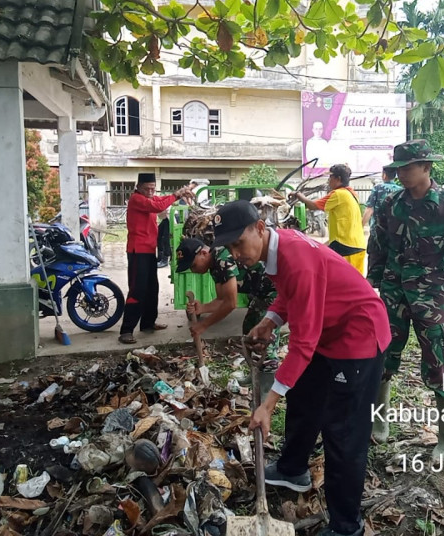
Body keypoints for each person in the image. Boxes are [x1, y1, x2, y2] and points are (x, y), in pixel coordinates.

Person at [213, 200, 390, 536]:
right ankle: (294, 469)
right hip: (329, 330)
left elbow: (303, 343)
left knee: (344, 434)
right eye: (229, 247)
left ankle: (346, 526)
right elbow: (289, 295)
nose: (236, 254)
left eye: (238, 243)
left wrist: (267, 405)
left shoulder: (297, 259)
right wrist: (270, 321)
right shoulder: (277, 250)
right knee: (305, 399)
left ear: (261, 229)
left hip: (358, 338)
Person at [367, 140, 444, 454]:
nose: (401, 175)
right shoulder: (390, 204)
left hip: (429, 296)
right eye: (398, 169)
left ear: (426, 167)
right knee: (381, 358)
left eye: (407, 168)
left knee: (438, 362)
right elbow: (378, 247)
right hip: (392, 294)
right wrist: (371, 289)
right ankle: (378, 423)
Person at [175, 237, 280, 389]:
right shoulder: (214, 264)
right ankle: (256, 374)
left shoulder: (221, 258)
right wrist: (202, 308)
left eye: (193, 265)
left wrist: (204, 325)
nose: (193, 270)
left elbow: (231, 303)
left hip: (275, 289)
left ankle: (268, 386)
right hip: (262, 292)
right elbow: (222, 299)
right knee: (249, 328)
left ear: (203, 253)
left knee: (263, 335)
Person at [119, 173, 194, 344]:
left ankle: (147, 323)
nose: (151, 191)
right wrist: (177, 194)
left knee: (152, 288)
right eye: (147, 189)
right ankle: (126, 330)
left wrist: (180, 194)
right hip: (137, 251)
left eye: (153, 188)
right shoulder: (137, 199)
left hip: (149, 250)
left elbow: (162, 202)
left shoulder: (150, 197)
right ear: (138, 187)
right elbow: (156, 206)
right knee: (137, 289)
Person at [291, 164, 367, 275]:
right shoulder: (352, 193)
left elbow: (313, 205)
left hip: (346, 246)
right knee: (355, 283)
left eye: (330, 177)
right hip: (358, 245)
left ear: (338, 179)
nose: (329, 180)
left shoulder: (338, 194)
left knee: (339, 282)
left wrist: (298, 195)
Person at [362, 166, 402, 273]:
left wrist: (360, 225)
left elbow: (369, 210)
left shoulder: (378, 188)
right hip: (395, 235)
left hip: (377, 234)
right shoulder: (401, 191)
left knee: (374, 265)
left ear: (384, 175)